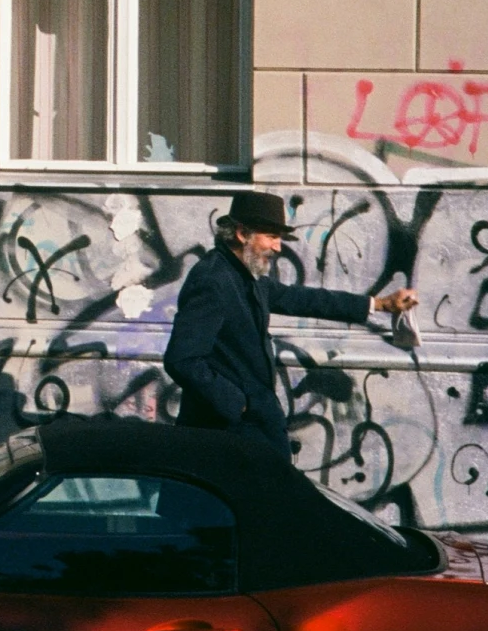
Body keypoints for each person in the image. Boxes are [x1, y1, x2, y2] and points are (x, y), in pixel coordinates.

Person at [165, 190, 419, 452]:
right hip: (226, 432)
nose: (277, 247)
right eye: (272, 236)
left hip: (250, 424)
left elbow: (301, 298)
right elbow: (183, 360)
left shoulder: (243, 275)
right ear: (242, 234)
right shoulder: (213, 279)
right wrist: (237, 404)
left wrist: (379, 304)